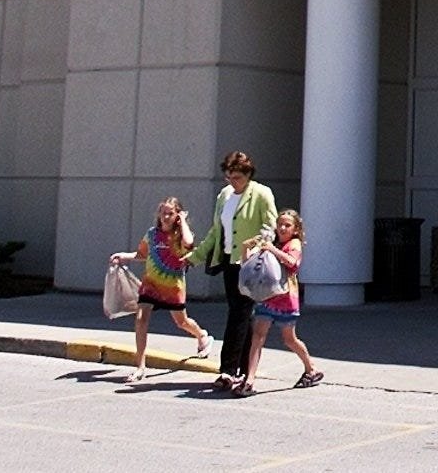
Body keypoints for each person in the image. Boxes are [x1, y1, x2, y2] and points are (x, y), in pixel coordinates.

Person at [189, 150, 277, 390]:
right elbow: (216, 232)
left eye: (237, 177)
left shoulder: (261, 193)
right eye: (229, 177)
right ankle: (246, 368)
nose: (232, 182)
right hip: (229, 260)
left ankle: (228, 369)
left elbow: (270, 228)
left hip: (249, 263)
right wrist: (196, 256)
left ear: (248, 174)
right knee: (241, 314)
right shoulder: (225, 195)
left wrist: (254, 246)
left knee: (238, 313)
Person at [108, 197, 212, 383]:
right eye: (163, 213)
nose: (166, 217)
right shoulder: (152, 234)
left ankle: (201, 335)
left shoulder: (180, 235)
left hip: (173, 287)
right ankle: (140, 366)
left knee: (181, 322)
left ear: (177, 215)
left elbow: (189, 243)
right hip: (150, 285)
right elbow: (142, 254)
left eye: (170, 213)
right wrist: (123, 256)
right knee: (141, 319)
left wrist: (183, 222)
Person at [236, 209, 322, 396]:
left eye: (287, 225)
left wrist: (272, 250)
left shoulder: (293, 244)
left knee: (289, 339)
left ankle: (311, 368)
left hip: (286, 300)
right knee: (257, 337)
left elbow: (293, 263)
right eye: (280, 224)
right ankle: (249, 379)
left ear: (296, 229)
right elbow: (249, 264)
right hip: (267, 297)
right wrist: (246, 248)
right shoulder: (272, 243)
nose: (282, 228)